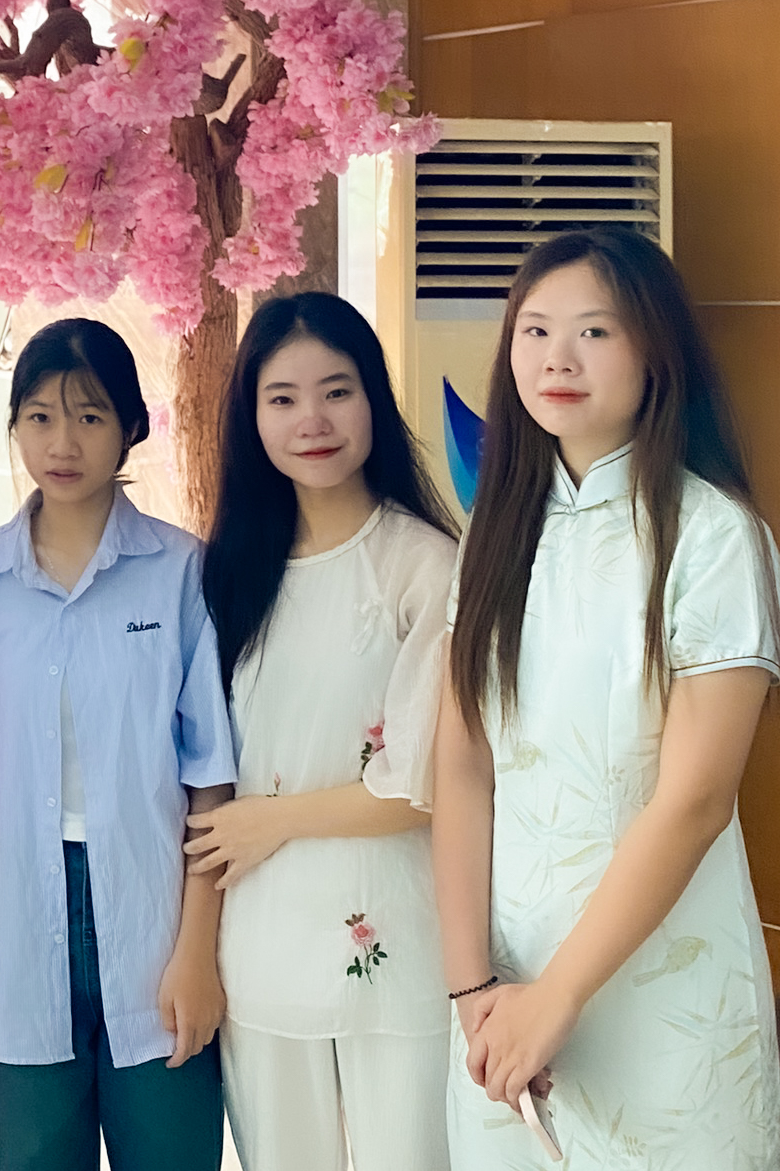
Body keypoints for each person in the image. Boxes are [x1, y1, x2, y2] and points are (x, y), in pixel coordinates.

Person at [433, 226, 780, 1168]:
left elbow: (696, 798)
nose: (558, 357)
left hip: (659, 1001)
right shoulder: (497, 532)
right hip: (501, 1007)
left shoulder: (713, 536)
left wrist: (559, 997)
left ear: (655, 352)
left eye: (594, 331)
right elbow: (463, 767)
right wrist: (472, 989)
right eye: (536, 330)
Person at [0, 318, 238, 1171]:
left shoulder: (180, 572)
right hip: (23, 919)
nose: (62, 442)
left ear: (130, 426)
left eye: (89, 415)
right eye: (39, 417)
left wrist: (195, 951)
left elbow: (211, 779)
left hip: (155, 916)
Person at [186, 292, 458, 1170]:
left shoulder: (424, 566)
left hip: (399, 943)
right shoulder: (224, 575)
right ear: (251, 417)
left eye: (337, 391)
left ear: (375, 399)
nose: (312, 420)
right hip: (260, 946)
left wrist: (271, 819)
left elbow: (431, 780)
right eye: (283, 398)